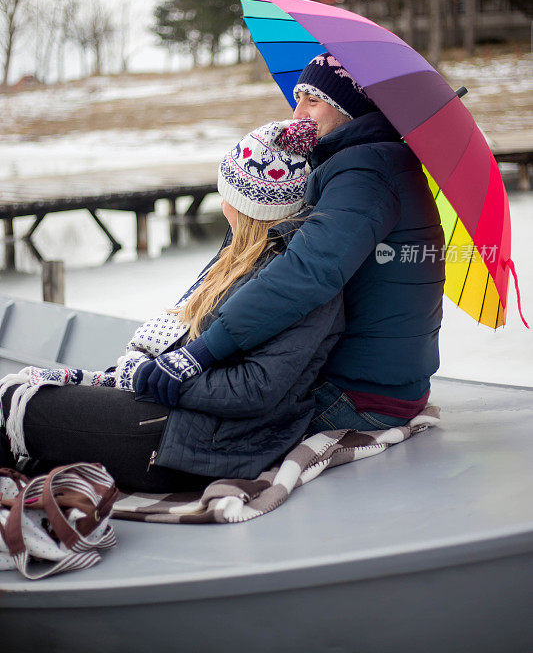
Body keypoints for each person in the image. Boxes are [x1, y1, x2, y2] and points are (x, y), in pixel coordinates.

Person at [0, 119, 344, 492]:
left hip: (202, 444)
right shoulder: (244, 253)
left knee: (10, 405)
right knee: (24, 396)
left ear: (246, 204)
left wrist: (159, 377)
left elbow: (256, 388)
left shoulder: (297, 278)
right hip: (185, 422)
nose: (222, 198)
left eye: (226, 189)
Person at [136, 53, 446, 434]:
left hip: (361, 396)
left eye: (312, 101)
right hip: (385, 381)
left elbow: (309, 271)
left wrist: (202, 351)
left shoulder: (366, 174)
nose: (298, 112)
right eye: (298, 98)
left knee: (177, 423)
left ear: (349, 109)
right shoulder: (373, 161)